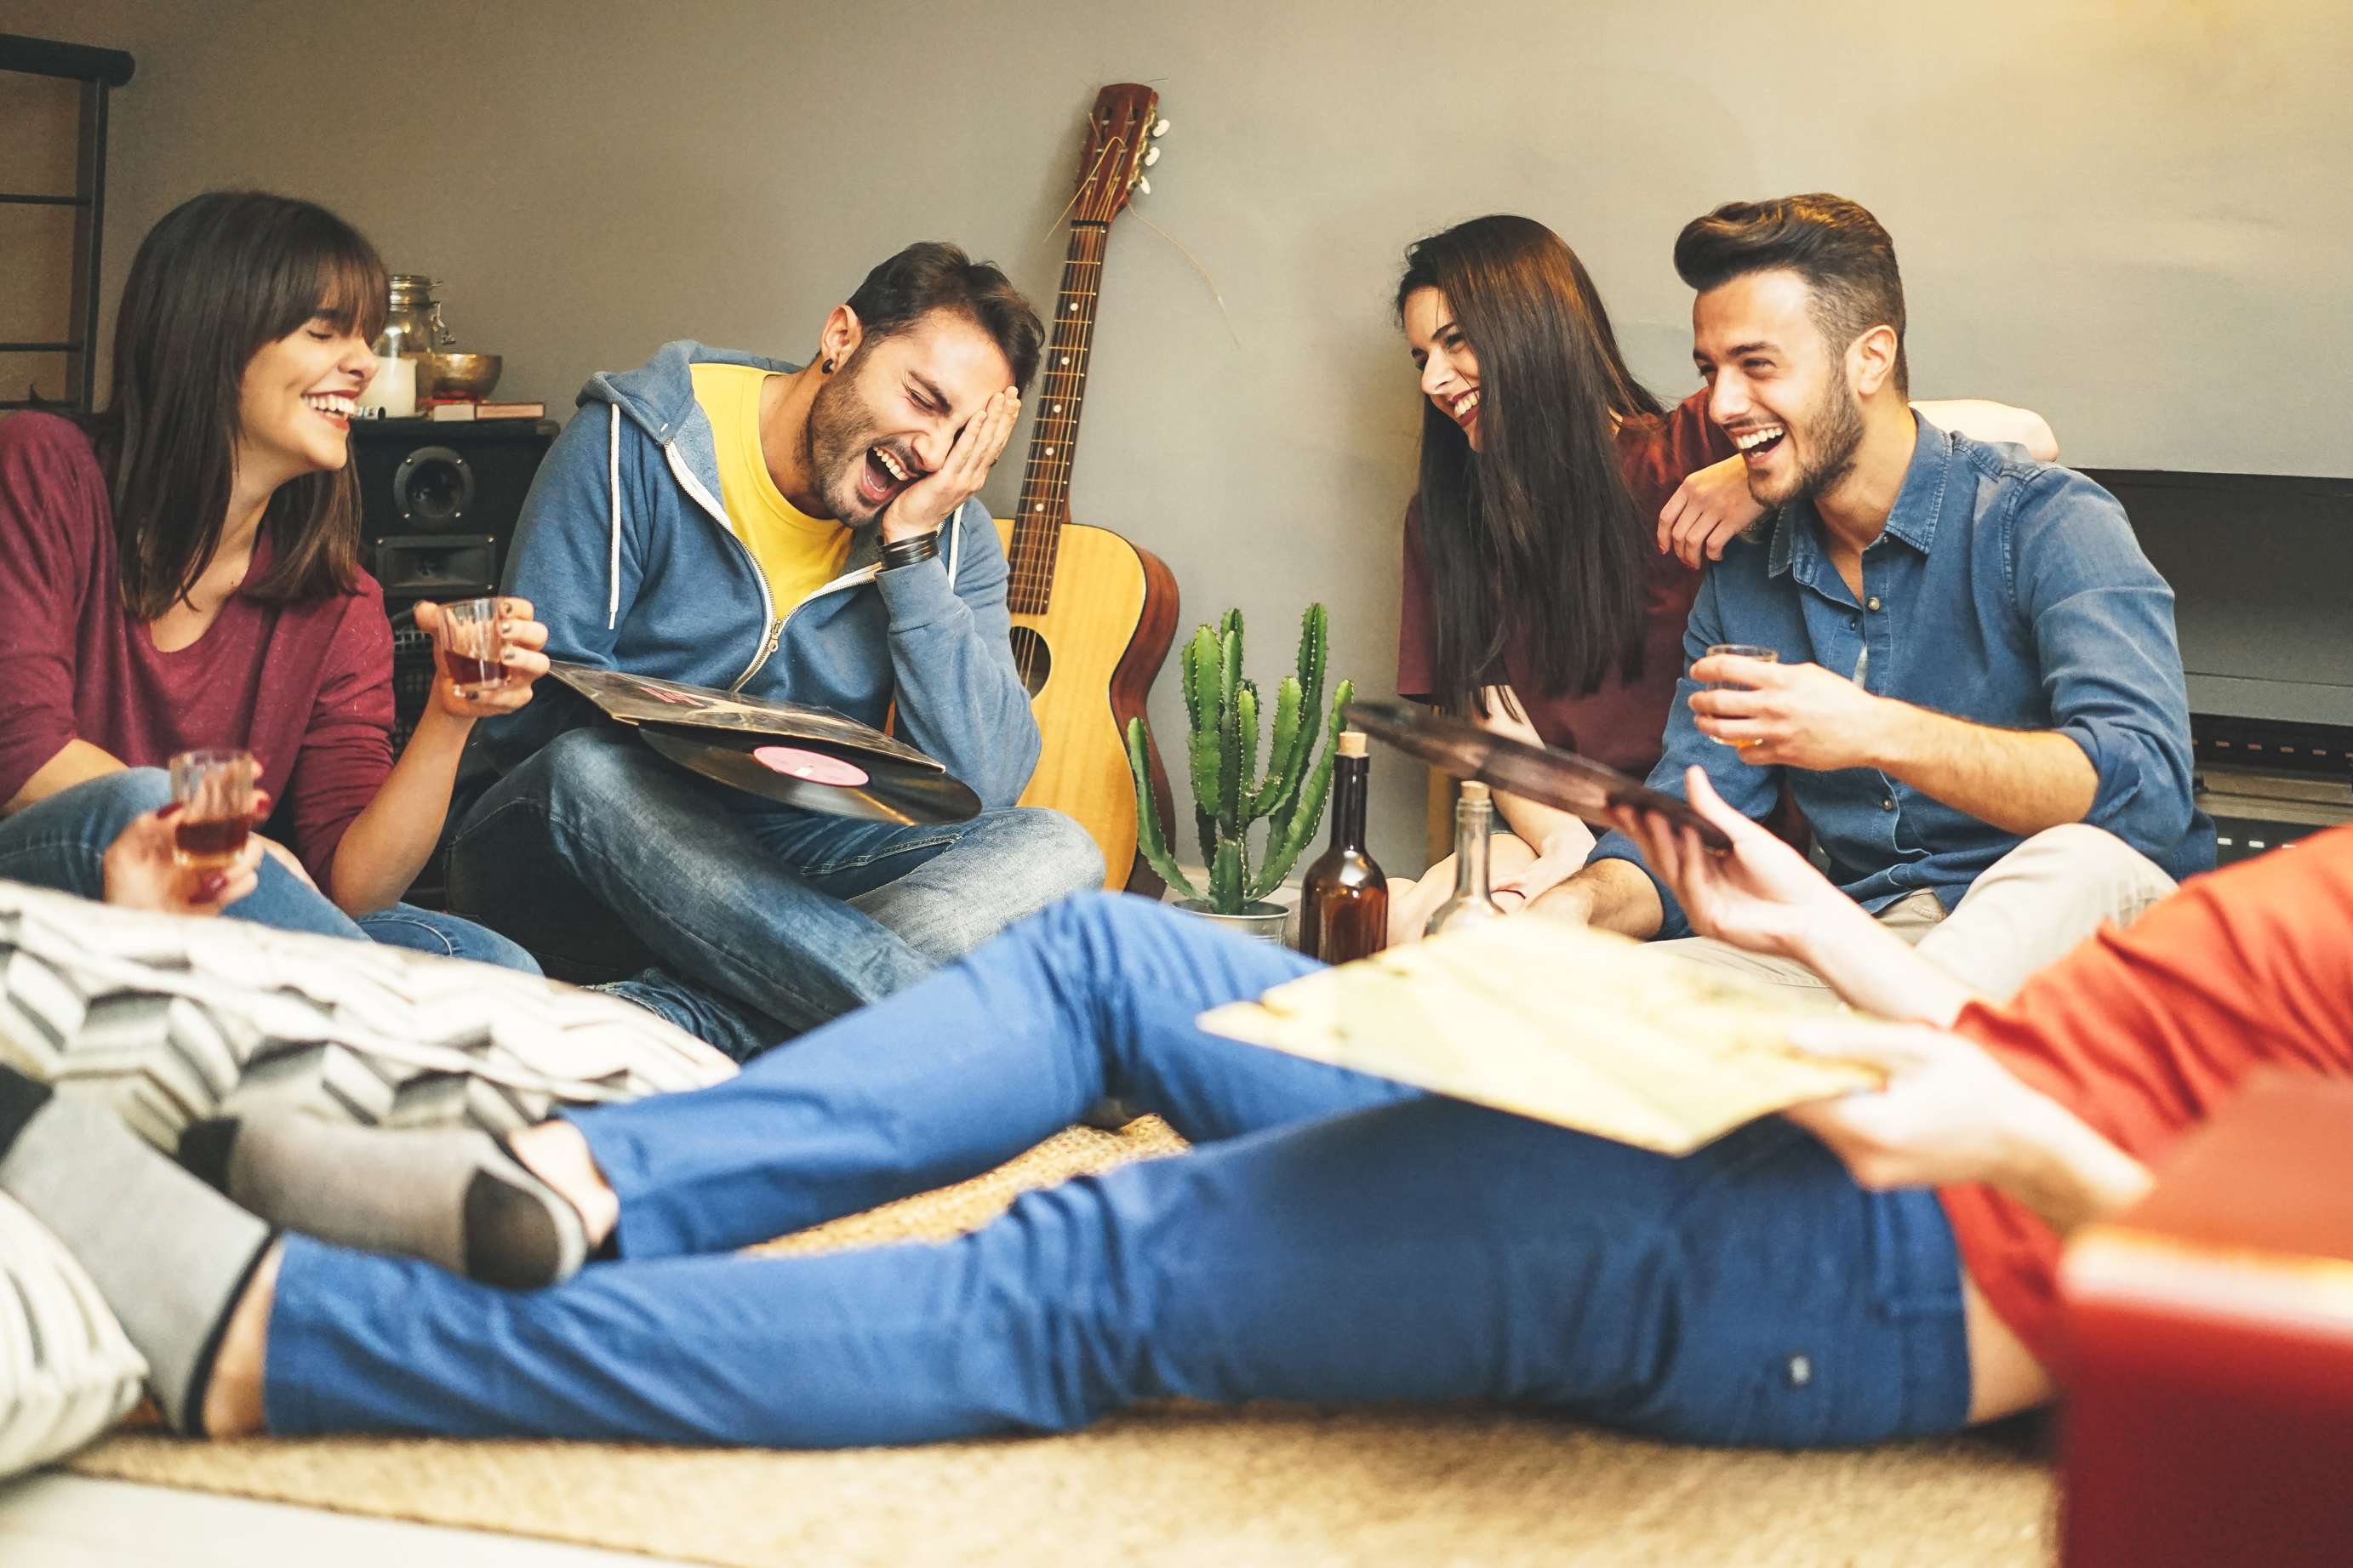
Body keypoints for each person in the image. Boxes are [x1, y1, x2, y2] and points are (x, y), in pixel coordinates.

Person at [4, 780, 2344, 1451]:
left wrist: (2012, 1153)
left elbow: (2288, 1378)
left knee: (1090, 1278)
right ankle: (585, 1179)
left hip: (1879, 1261)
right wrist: (1821, 937)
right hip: (1836, 1086)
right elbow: (2171, 1055)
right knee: (1109, 945)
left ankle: (290, 1340)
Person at [1526, 195, 2213, 1001]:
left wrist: (1874, 730)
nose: (1720, 405)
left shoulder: (2049, 522)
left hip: (2083, 925)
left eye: (1757, 365)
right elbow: (1697, 819)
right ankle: (1868, 1056)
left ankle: (1872, 1051)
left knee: (2077, 857)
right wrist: (1569, 908)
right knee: (1590, 994)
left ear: (1870, 358)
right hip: (1865, 940)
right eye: (1710, 370)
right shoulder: (1744, 573)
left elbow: (2146, 794)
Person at [443, 242, 1105, 1056]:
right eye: (924, 400)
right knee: (589, 766)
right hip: (575, 846)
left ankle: (686, 1020)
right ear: (839, 337)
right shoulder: (632, 443)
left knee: (1054, 847)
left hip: (778, 857)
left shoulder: (941, 525)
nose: (932, 453)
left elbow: (988, 781)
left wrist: (909, 554)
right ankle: (964, 1044)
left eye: (963, 435)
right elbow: (525, 723)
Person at [1385, 214, 2058, 937]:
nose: (1432, 380)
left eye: (1455, 342)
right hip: (1558, 826)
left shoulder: (1702, 444)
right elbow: (1493, 719)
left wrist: (1753, 470)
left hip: (1713, 821)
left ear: (1532, 328)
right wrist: (1564, 846)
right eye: (1422, 354)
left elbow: (2029, 433)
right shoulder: (1443, 517)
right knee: (1428, 915)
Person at [0, 191, 546, 966]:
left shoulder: (339, 598)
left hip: (228, 902)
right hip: (37, 884)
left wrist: (451, 715)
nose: (362, 363)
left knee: (495, 966)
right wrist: (237, 846)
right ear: (208, 339)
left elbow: (351, 885)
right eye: (325, 331)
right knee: (152, 805)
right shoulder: (44, 467)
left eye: (363, 335)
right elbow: (22, 753)